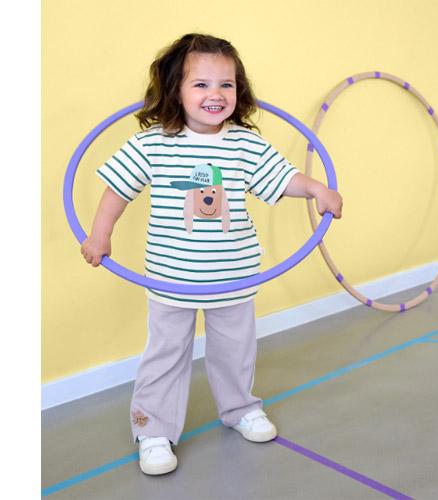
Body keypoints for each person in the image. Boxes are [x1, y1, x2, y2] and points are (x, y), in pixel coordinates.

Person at [81, 33, 343, 476]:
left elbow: (282, 178)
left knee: (235, 350)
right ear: (175, 90)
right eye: (200, 84)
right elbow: (117, 191)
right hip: (170, 276)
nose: (215, 94)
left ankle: (241, 409)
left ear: (239, 90)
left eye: (226, 84)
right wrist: (99, 236)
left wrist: (316, 188)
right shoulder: (153, 144)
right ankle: (153, 430)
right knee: (165, 353)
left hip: (234, 273)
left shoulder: (245, 144)